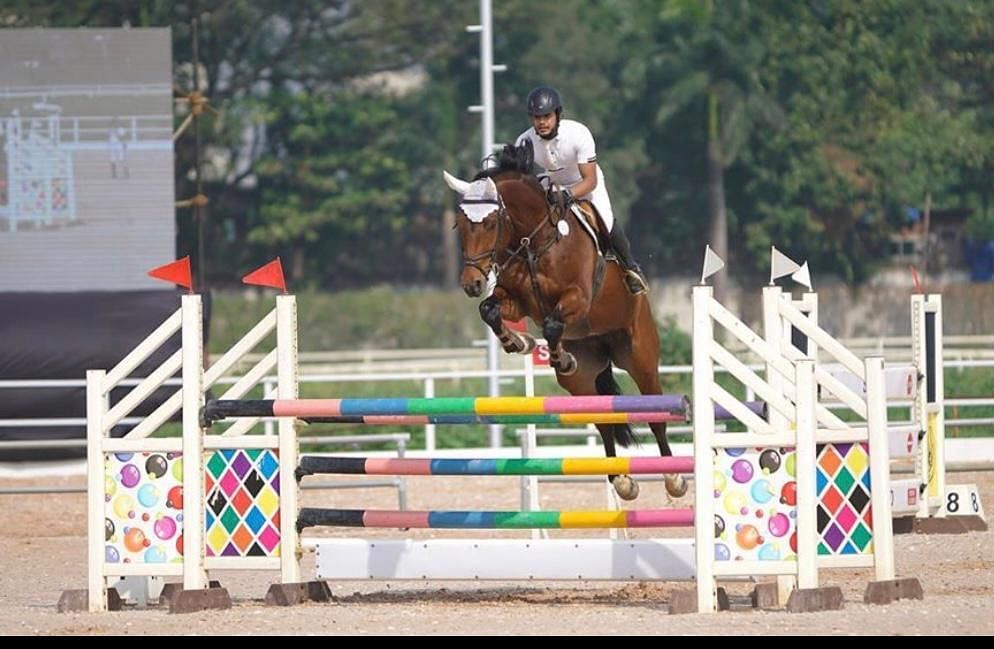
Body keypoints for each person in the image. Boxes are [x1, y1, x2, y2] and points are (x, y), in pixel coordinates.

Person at [515, 85, 649, 295]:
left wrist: (568, 194)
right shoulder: (524, 141)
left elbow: (590, 180)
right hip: (551, 181)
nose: (541, 122)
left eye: (546, 116)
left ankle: (631, 268)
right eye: (536, 117)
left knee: (605, 220)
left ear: (558, 114)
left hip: (584, 182)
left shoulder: (578, 134)